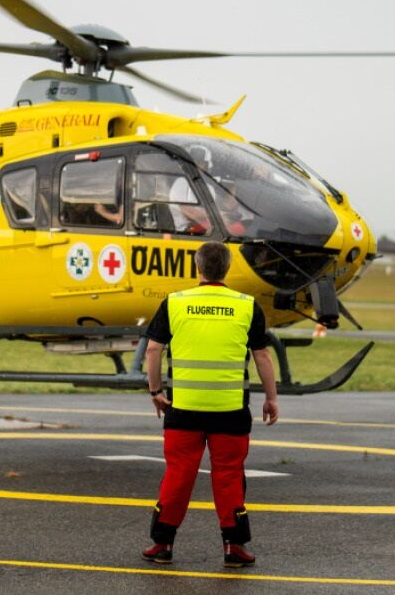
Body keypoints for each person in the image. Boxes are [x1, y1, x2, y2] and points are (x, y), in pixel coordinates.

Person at [142, 241, 279, 568]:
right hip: (230, 413)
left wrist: (155, 392)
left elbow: (152, 350)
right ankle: (234, 548)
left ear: (197, 267)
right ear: (228, 268)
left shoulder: (175, 303)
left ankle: (162, 545)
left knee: (178, 475)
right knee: (229, 477)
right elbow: (262, 355)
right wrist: (271, 398)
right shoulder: (246, 305)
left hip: (184, 410)